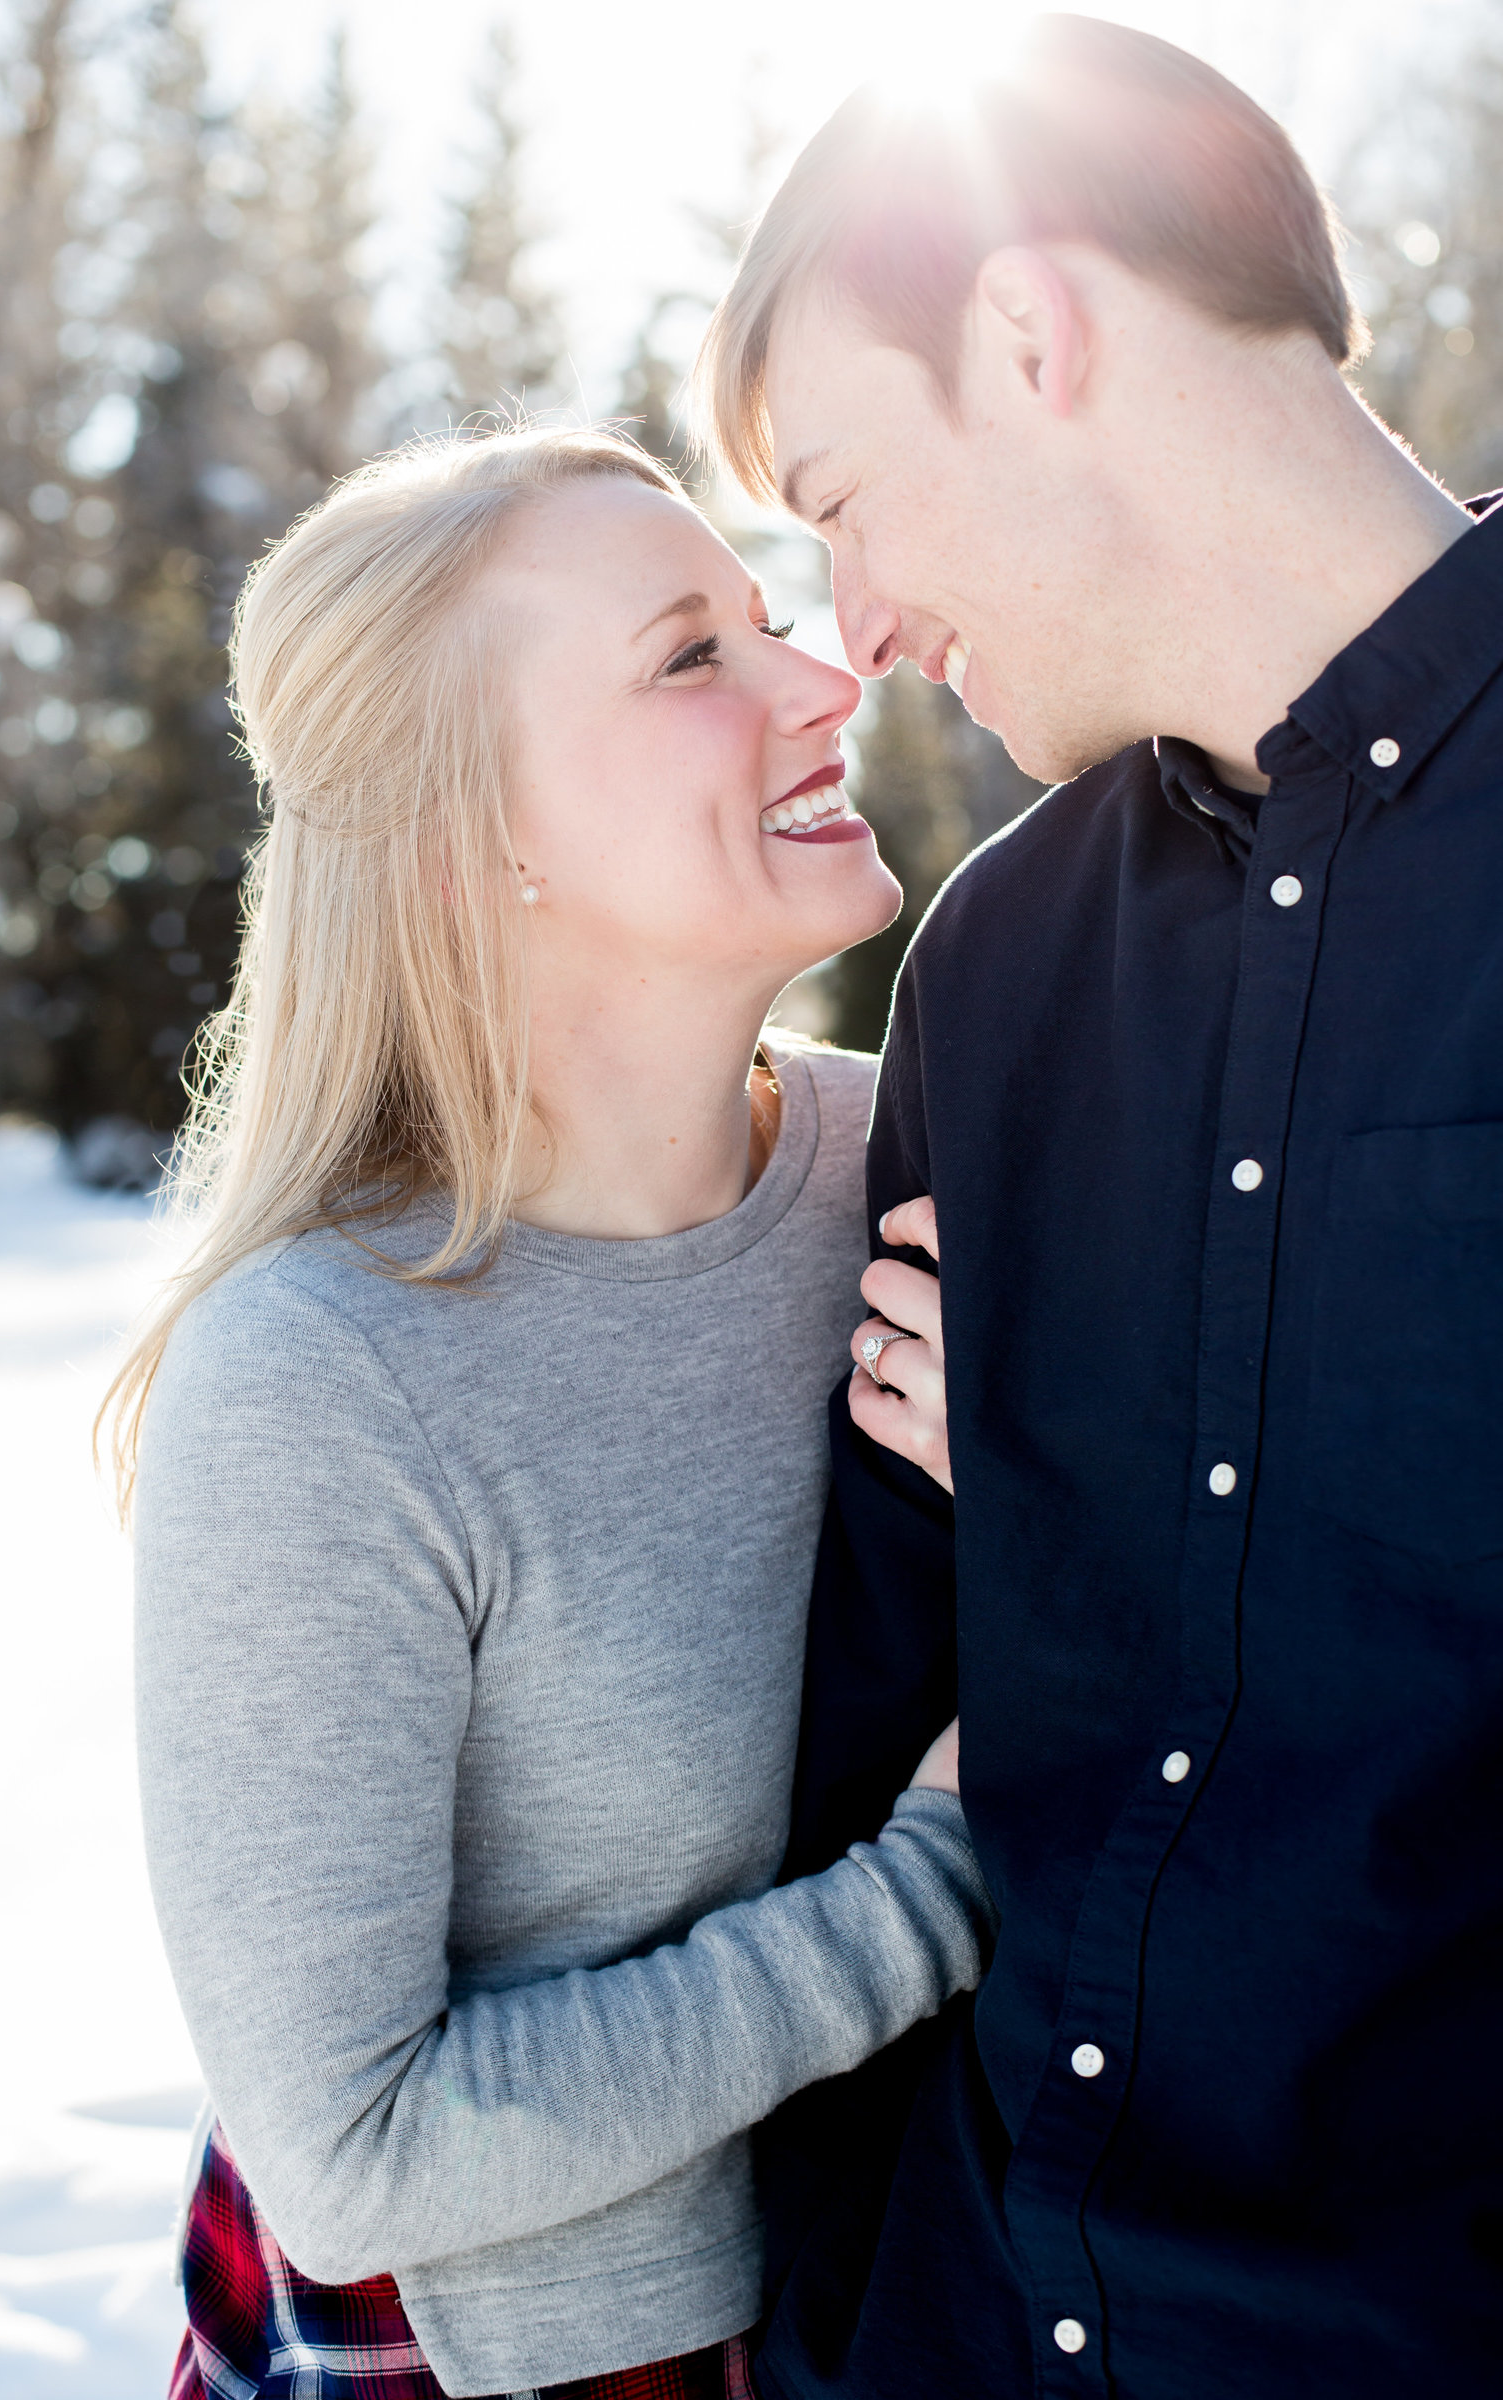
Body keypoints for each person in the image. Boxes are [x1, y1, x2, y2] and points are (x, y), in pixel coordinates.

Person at [697, 13, 1503, 2397]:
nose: (849, 622)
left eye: (843, 493)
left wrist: (1103, 1472)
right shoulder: (1002, 964)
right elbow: (876, 1708)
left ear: (1031, 329)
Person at [110, 428, 992, 2400]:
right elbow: (351, 2153)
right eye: (691, 656)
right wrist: (926, 1895)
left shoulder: (919, 1176)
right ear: (464, 840)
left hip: (924, 2289)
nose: (824, 677)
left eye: (765, 617)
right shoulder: (324, 1374)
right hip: (528, 2360)